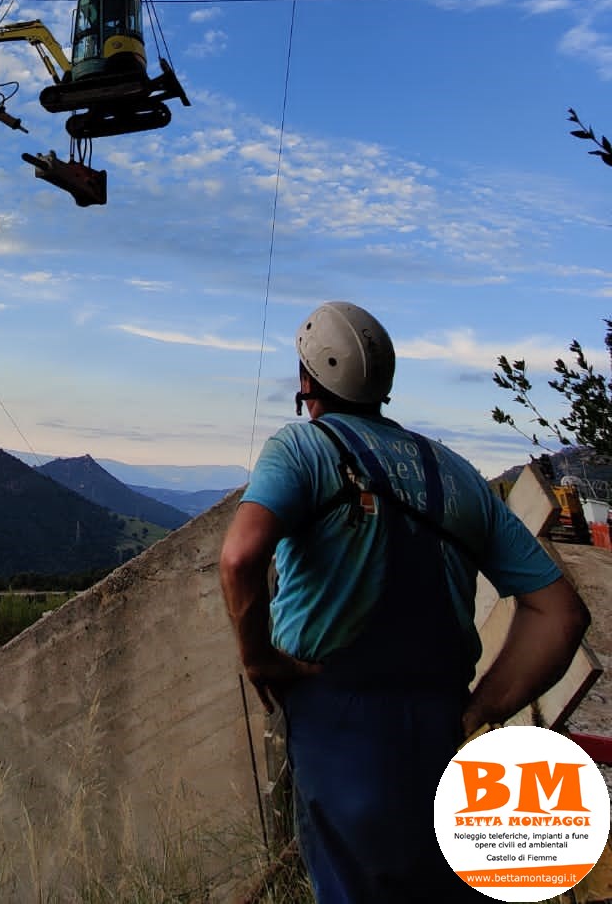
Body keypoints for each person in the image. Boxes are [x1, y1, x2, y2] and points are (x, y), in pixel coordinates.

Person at [219, 300, 591, 904]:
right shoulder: (456, 473)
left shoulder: (303, 450)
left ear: (307, 380)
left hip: (336, 722)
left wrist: (259, 659)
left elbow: (239, 559)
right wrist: (481, 708)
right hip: (441, 726)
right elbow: (562, 612)